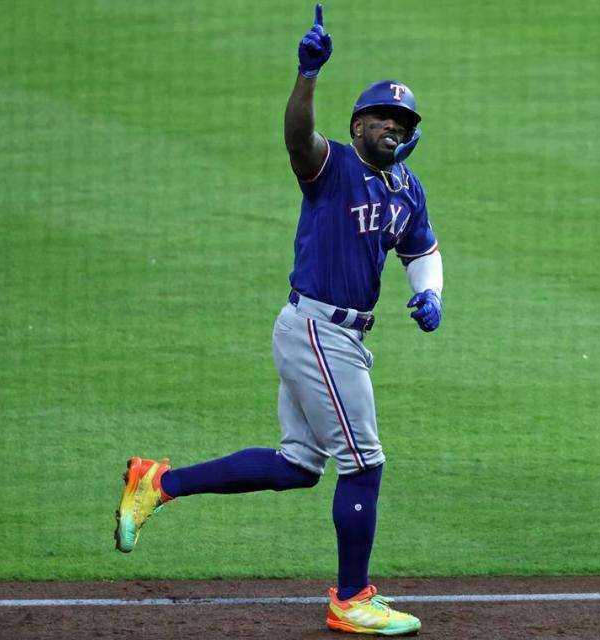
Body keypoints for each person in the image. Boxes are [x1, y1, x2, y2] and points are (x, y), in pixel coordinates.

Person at [113, 4, 442, 635]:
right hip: (318, 330)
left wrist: (431, 295)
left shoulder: (408, 189)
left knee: (297, 465)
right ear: (358, 125)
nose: (392, 127)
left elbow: (421, 249)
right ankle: (351, 598)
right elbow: (297, 137)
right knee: (365, 462)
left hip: (338, 335)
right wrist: (307, 74)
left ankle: (158, 482)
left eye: (402, 121)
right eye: (381, 118)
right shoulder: (333, 166)